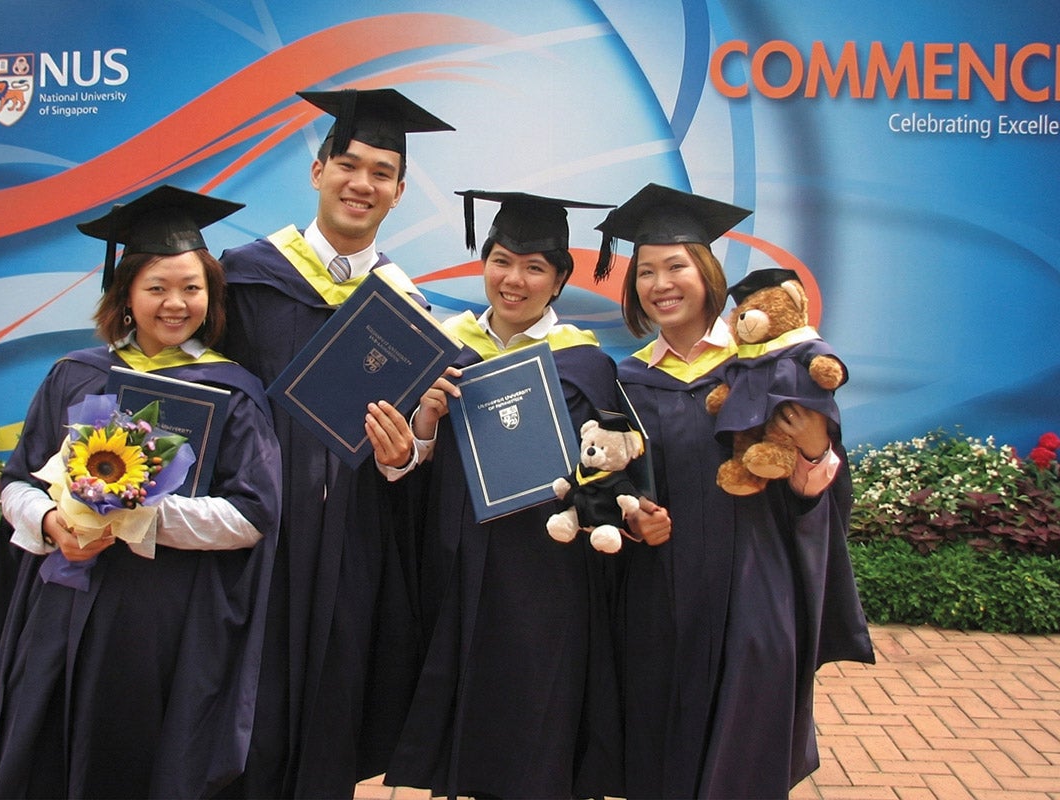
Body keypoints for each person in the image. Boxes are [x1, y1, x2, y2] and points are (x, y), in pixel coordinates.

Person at [0, 184, 283, 798]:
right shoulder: (77, 374)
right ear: (127, 295)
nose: (175, 303)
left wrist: (136, 516)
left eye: (192, 287)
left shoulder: (234, 391)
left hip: (163, 625)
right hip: (62, 611)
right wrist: (55, 522)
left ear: (211, 295)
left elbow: (252, 515)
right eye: (157, 287)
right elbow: (17, 485)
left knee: (139, 762)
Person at [597, 183, 874, 799]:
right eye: (646, 271)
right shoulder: (629, 380)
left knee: (745, 753)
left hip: (754, 585)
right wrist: (634, 515)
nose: (661, 283)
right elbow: (617, 483)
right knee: (659, 750)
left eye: (677, 266)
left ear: (708, 273)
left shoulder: (770, 366)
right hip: (660, 598)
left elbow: (814, 491)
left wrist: (809, 448)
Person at [214, 87, 454, 798]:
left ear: (400, 191)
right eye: (349, 164)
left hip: (351, 545)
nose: (363, 183)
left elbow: (417, 453)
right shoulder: (246, 279)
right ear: (317, 172)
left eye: (382, 172)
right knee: (234, 709)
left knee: (328, 717)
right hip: (254, 539)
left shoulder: (405, 308)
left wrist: (407, 452)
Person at [382, 191, 624, 800]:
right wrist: (425, 426)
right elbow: (407, 471)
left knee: (536, 711)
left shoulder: (586, 365)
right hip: (455, 555)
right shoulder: (445, 347)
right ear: (483, 263)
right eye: (501, 260)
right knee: (465, 700)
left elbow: (608, 473)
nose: (514, 280)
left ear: (560, 279)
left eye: (535, 266)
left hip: (545, 570)